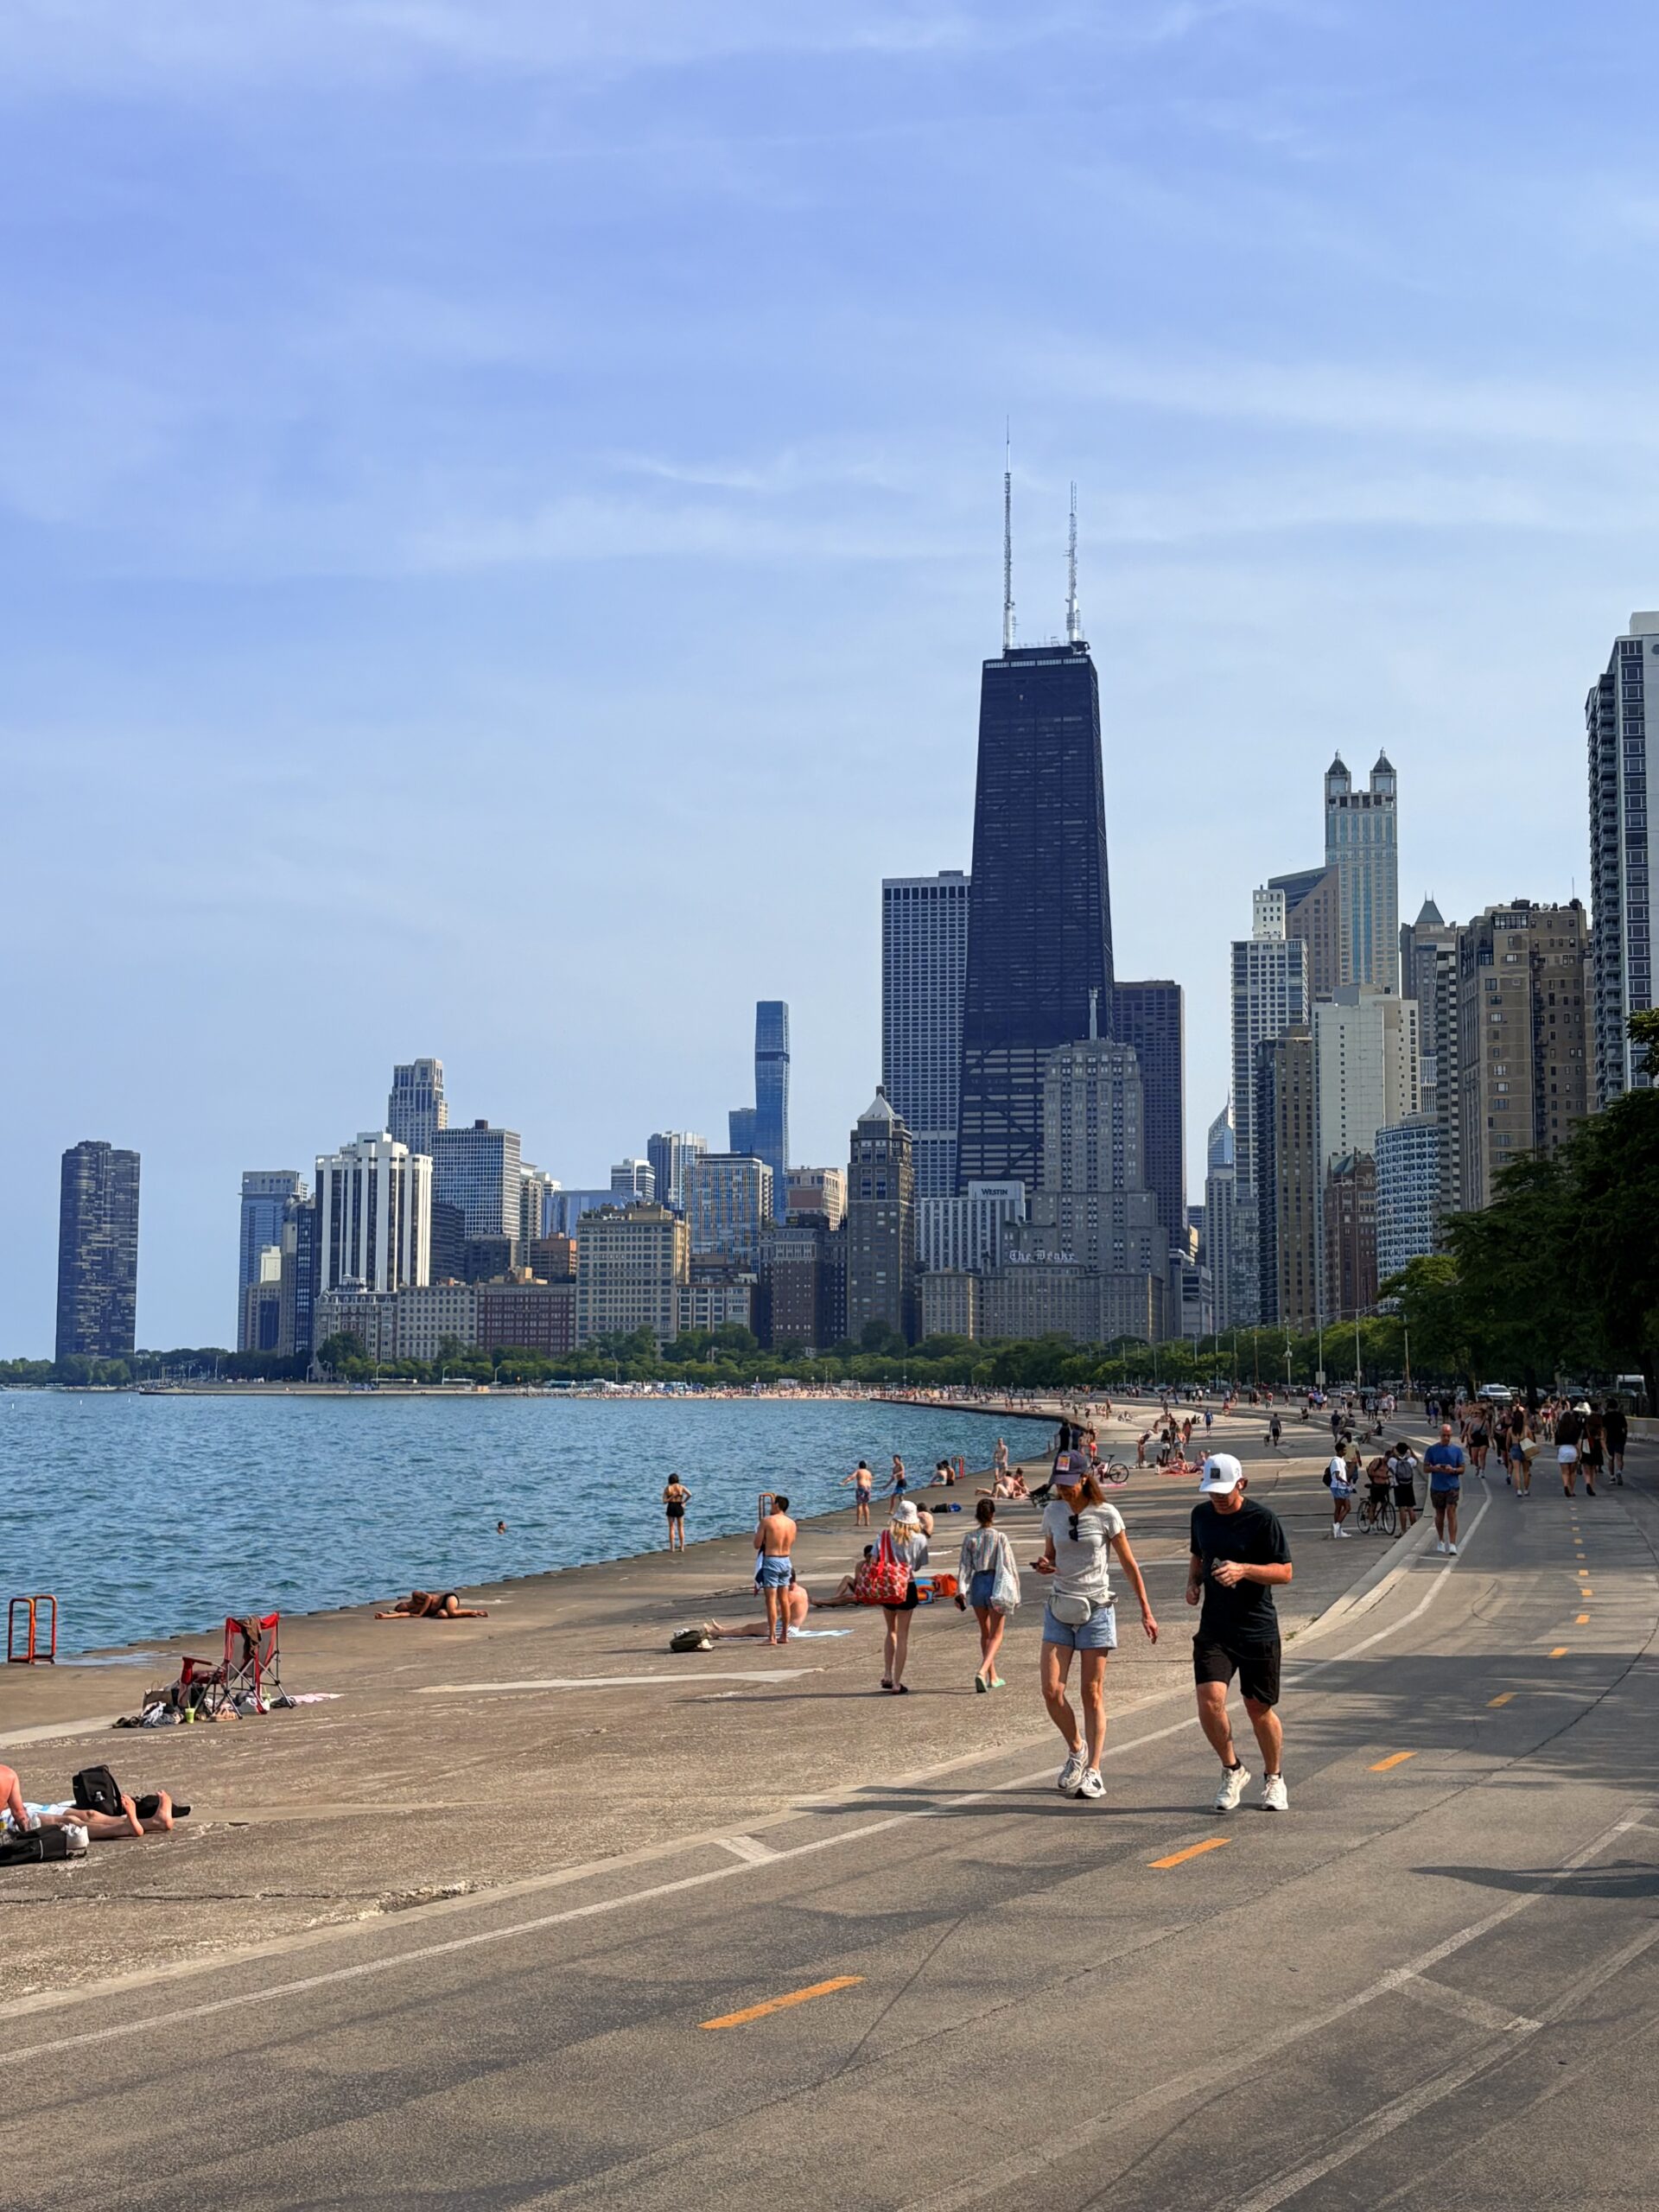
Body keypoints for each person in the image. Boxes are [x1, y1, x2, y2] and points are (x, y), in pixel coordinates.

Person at [1033, 1464, 1158, 1802]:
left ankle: (1095, 1771)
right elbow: (1050, 1555)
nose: (1063, 1490)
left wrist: (1146, 1611)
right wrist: (1045, 1565)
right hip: (1060, 1607)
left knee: (1091, 1691)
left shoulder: (1106, 1514)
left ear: (1085, 1479)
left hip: (1097, 1609)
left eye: (1069, 1484)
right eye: (1059, 1485)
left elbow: (1129, 1564)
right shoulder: (1052, 1511)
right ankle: (1077, 1748)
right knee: (1051, 1690)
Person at [1186, 1455, 1294, 1813]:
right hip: (1215, 1627)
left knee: (1257, 1708)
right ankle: (1232, 1769)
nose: (1217, 1499)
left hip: (1257, 1627)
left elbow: (1285, 1572)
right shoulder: (1200, 1515)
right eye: (1211, 1492)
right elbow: (1198, 1555)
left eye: (1224, 1491)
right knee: (1210, 1700)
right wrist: (1193, 1583)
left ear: (1241, 1484)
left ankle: (1274, 1778)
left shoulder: (1263, 1520)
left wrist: (1244, 1570)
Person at [2, 1764, 179, 1841]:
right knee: (81, 1817)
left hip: (11, 1818)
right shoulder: (8, 1774)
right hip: (19, 1813)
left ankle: (143, 1823)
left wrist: (28, 1837)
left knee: (80, 1819)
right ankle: (148, 1823)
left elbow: (19, 1815)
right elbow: (19, 1813)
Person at [957, 1497, 1020, 1691]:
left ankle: (992, 1676)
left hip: (977, 1584)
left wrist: (961, 1589)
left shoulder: (970, 1538)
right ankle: (983, 1671)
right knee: (997, 1634)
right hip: (995, 1583)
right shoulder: (1000, 1537)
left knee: (985, 1633)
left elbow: (964, 1566)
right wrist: (1015, 1590)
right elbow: (1008, 1565)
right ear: (992, 1514)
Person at [880, 1500, 934, 1693]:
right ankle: (896, 1682)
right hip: (906, 1585)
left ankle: (886, 1673)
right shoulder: (919, 1538)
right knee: (903, 1635)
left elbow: (876, 1556)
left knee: (890, 1631)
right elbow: (919, 1565)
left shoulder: (885, 1535)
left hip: (888, 1586)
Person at [753, 1493, 798, 1645]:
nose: (771, 1507)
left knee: (771, 1600)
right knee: (784, 1599)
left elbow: (757, 1544)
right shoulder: (792, 1523)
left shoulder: (767, 1521)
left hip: (772, 1560)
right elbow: (792, 1541)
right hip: (786, 1560)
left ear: (778, 1505)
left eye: (773, 1504)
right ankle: (784, 1635)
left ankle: (772, 1636)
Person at [1422, 1422, 1466, 1554]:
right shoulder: (1432, 1450)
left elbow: (1462, 1468)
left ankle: (1452, 1543)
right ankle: (1441, 1540)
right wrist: (1434, 1468)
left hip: (1452, 1486)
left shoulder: (1457, 1450)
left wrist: (1453, 1470)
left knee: (1451, 1512)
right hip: (1437, 1486)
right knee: (1440, 1514)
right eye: (1444, 1436)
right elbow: (1425, 1468)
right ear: (1440, 1435)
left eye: (1448, 1436)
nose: (1446, 1438)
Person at [377, 1590, 488, 1618]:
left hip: (447, 1599)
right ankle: (466, 1614)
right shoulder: (413, 1612)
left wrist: (421, 1613)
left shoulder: (415, 1596)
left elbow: (429, 1598)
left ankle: (477, 1611)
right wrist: (385, 1616)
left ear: (403, 1603)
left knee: (452, 1612)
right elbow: (401, 1615)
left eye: (401, 1607)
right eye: (402, 1609)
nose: (404, 1609)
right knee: (443, 1615)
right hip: (441, 1609)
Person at [1389, 1440, 1420, 1532]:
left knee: (1402, 1509)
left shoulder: (1393, 1461)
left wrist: (1393, 1451)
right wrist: (1410, 1450)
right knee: (1411, 1508)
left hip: (1398, 1486)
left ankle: (1403, 1530)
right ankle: (1414, 1529)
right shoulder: (1410, 1460)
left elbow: (1387, 1461)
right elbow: (1417, 1461)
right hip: (1409, 1485)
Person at [1555, 1402, 1584, 1497]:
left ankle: (1565, 1485)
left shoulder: (1560, 1429)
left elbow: (1556, 1442)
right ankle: (1571, 1489)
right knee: (1573, 1472)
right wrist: (1580, 1453)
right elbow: (1577, 1442)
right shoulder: (1575, 1428)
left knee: (1564, 1472)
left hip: (1563, 1449)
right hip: (1573, 1450)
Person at [1326, 1449, 1355, 1538]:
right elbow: (1338, 1476)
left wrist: (1353, 1464)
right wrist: (1345, 1483)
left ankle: (1338, 1530)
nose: (1345, 1452)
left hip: (1340, 1487)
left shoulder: (1341, 1461)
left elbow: (1347, 1474)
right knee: (1347, 1507)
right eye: (1343, 1450)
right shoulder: (1336, 1461)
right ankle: (1337, 1525)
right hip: (1339, 1487)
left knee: (1338, 1508)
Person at [662, 1473, 691, 1552]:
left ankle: (672, 1548)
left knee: (671, 1527)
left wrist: (671, 1497)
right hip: (679, 1506)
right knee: (681, 1527)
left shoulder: (668, 1488)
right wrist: (684, 1502)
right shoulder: (681, 1487)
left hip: (671, 1507)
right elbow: (689, 1494)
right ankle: (682, 1547)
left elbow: (664, 1501)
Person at [842, 1459, 874, 1526]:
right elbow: (871, 1480)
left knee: (859, 1505)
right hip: (868, 1488)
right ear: (866, 1466)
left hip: (861, 1488)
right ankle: (867, 1522)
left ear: (859, 1466)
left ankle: (858, 1522)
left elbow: (852, 1477)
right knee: (866, 1505)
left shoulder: (858, 1471)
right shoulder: (869, 1472)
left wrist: (844, 1482)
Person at [1605, 1400, 1629, 1487]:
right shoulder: (1621, 1416)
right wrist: (1625, 1437)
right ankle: (1619, 1472)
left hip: (1609, 1439)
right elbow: (1625, 1427)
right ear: (1616, 1407)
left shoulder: (1606, 1416)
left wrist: (1603, 1440)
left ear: (1608, 1407)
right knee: (1619, 1458)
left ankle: (1612, 1477)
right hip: (1620, 1438)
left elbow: (1603, 1429)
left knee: (1610, 1459)